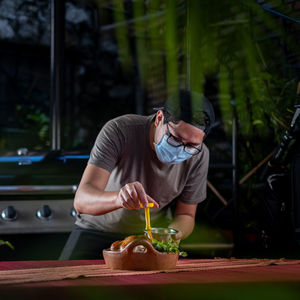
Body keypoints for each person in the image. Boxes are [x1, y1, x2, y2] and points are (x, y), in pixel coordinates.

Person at [59, 90, 215, 260]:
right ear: (159, 118)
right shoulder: (120, 131)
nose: (181, 150)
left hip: (150, 238)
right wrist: (119, 198)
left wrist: (170, 235)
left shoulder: (199, 156)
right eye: (176, 139)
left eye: (192, 145)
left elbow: (186, 215)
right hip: (96, 231)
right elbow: (82, 201)